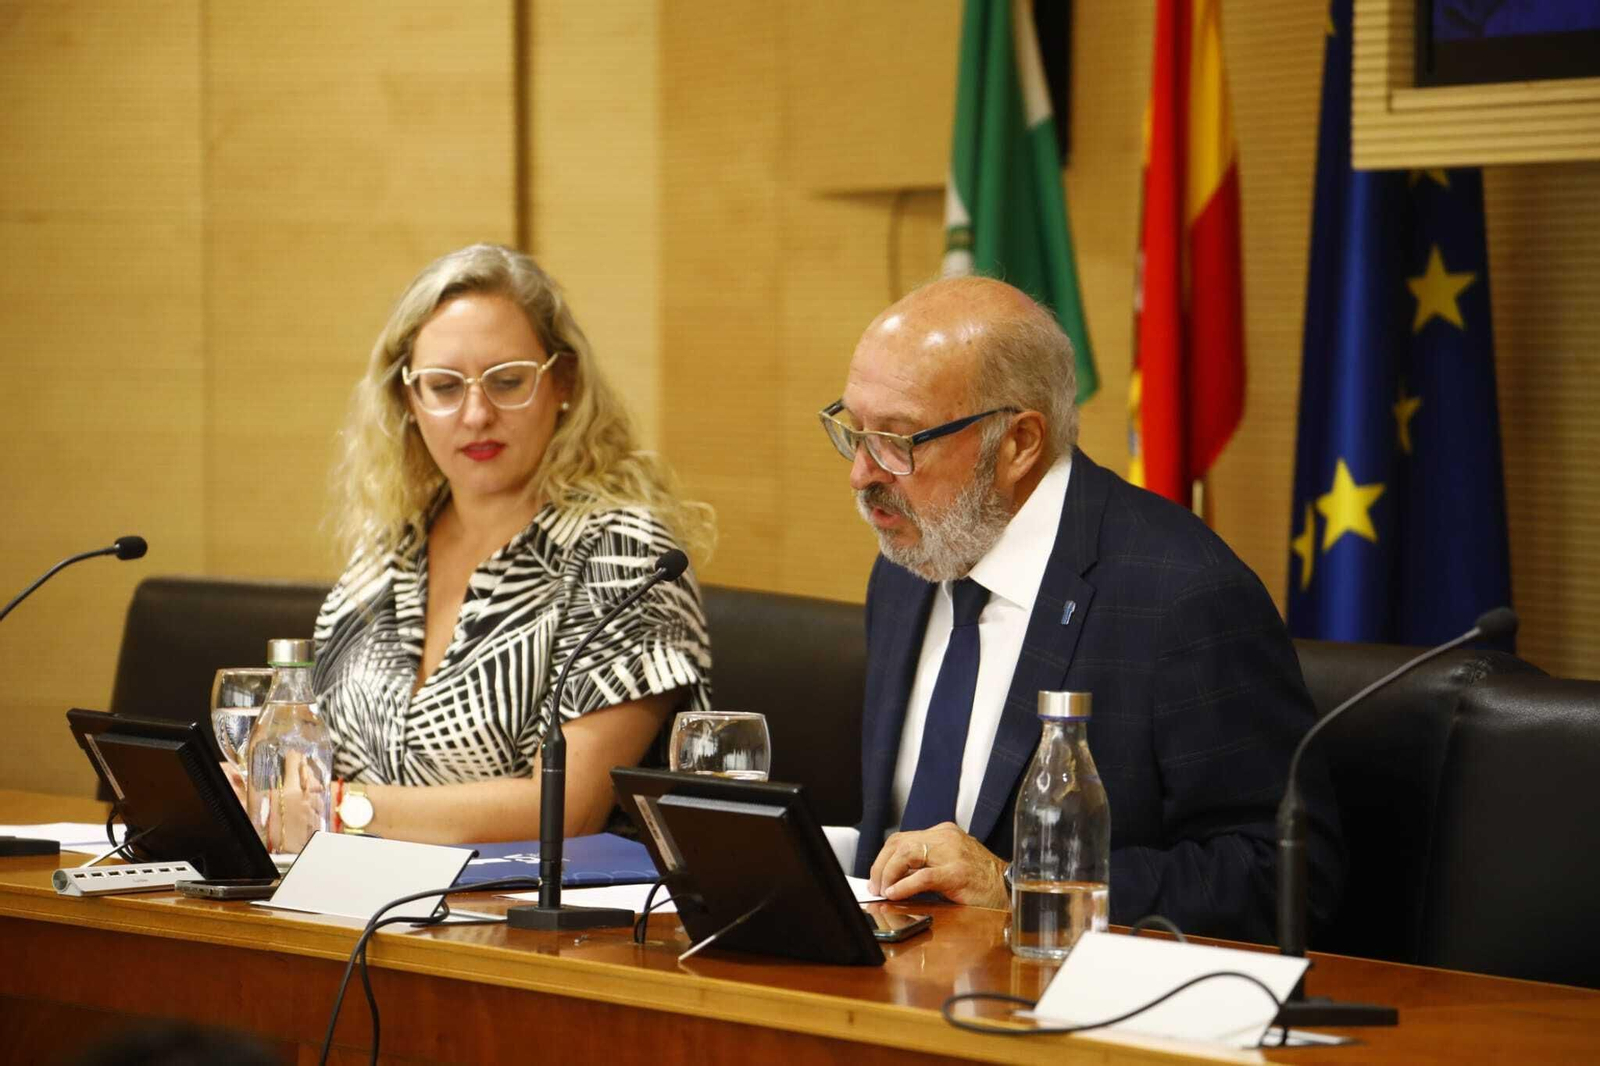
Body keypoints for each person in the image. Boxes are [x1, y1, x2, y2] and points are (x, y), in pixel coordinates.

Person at [823, 276, 1341, 943]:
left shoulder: (1183, 597)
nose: (862, 474)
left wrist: (1022, 888)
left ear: (1018, 444)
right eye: (852, 430)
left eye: (897, 441)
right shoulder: (908, 563)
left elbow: (1284, 874)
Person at [310, 243, 714, 845]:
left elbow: (569, 810)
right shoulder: (389, 549)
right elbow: (313, 752)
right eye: (444, 387)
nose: (476, 414)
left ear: (564, 383)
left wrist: (338, 809)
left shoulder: (623, 556)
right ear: (408, 401)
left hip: (542, 923)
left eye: (507, 381)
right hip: (357, 905)